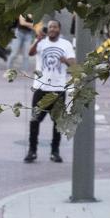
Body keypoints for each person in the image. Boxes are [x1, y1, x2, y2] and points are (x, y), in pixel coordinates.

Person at [25, 19, 75, 164]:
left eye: (55, 27)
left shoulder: (65, 44)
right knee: (34, 121)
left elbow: (73, 64)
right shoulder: (41, 41)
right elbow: (30, 53)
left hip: (58, 89)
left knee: (57, 123)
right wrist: (37, 40)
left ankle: (55, 152)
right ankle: (32, 151)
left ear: (59, 29)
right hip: (41, 89)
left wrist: (65, 60)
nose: (52, 29)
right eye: (50, 27)